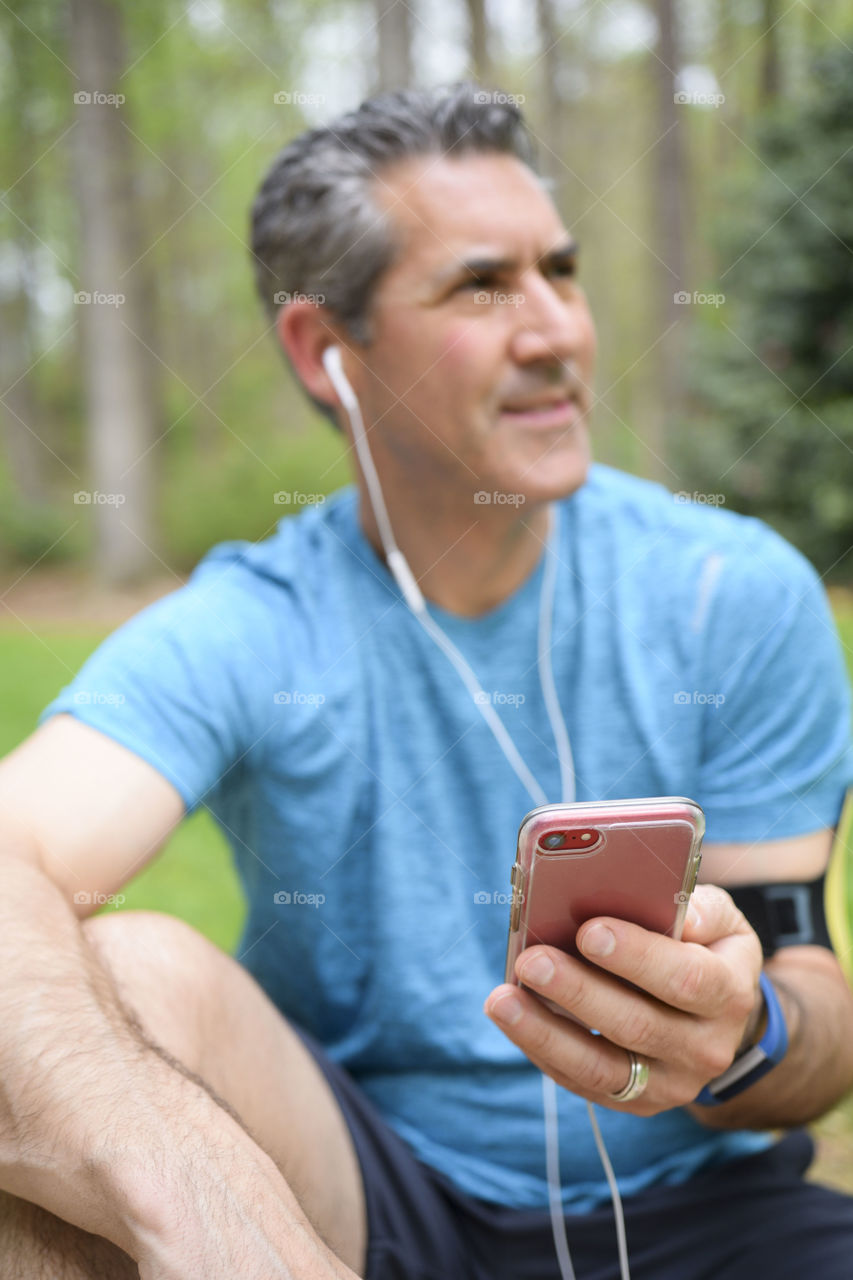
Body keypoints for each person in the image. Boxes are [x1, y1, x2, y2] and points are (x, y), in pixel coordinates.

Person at [1, 82, 853, 1280]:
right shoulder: (255, 625)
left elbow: (814, 1002)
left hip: (700, 1204)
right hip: (362, 1191)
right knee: (118, 985)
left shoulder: (732, 591)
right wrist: (182, 1189)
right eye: (481, 285)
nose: (555, 327)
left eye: (561, 270)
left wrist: (745, 1032)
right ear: (325, 350)